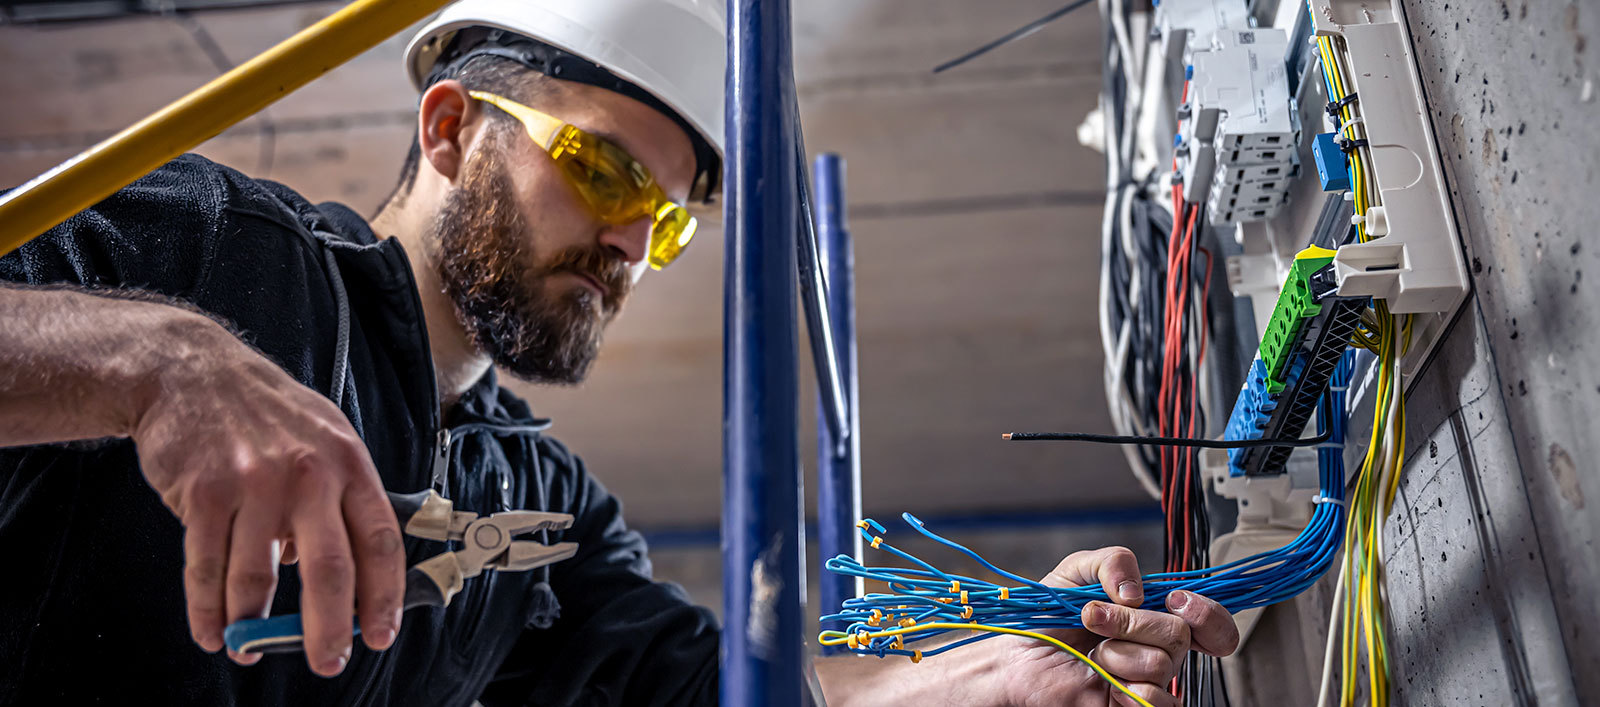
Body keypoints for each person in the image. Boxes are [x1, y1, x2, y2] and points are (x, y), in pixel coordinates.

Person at [0, 1, 1238, 704]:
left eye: (665, 219)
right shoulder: (217, 253)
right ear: (449, 131)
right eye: (600, 169)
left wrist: (1006, 661)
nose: (626, 246)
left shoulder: (538, 505)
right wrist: (153, 355)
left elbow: (721, 696)